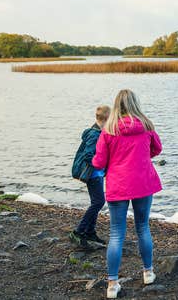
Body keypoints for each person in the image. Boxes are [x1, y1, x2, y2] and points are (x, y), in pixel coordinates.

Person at [92, 89, 163, 299]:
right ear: (135, 103)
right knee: (143, 227)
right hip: (142, 182)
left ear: (116, 105)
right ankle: (148, 272)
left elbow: (99, 161)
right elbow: (157, 149)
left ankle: (112, 284)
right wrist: (141, 155)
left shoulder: (109, 130)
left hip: (118, 184)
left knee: (116, 233)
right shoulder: (147, 126)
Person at [69, 105, 111, 247]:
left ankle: (90, 232)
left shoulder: (98, 132)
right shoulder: (95, 134)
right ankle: (79, 231)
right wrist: (100, 165)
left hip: (96, 173)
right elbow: (88, 155)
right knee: (98, 202)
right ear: (106, 119)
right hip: (93, 174)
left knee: (97, 202)